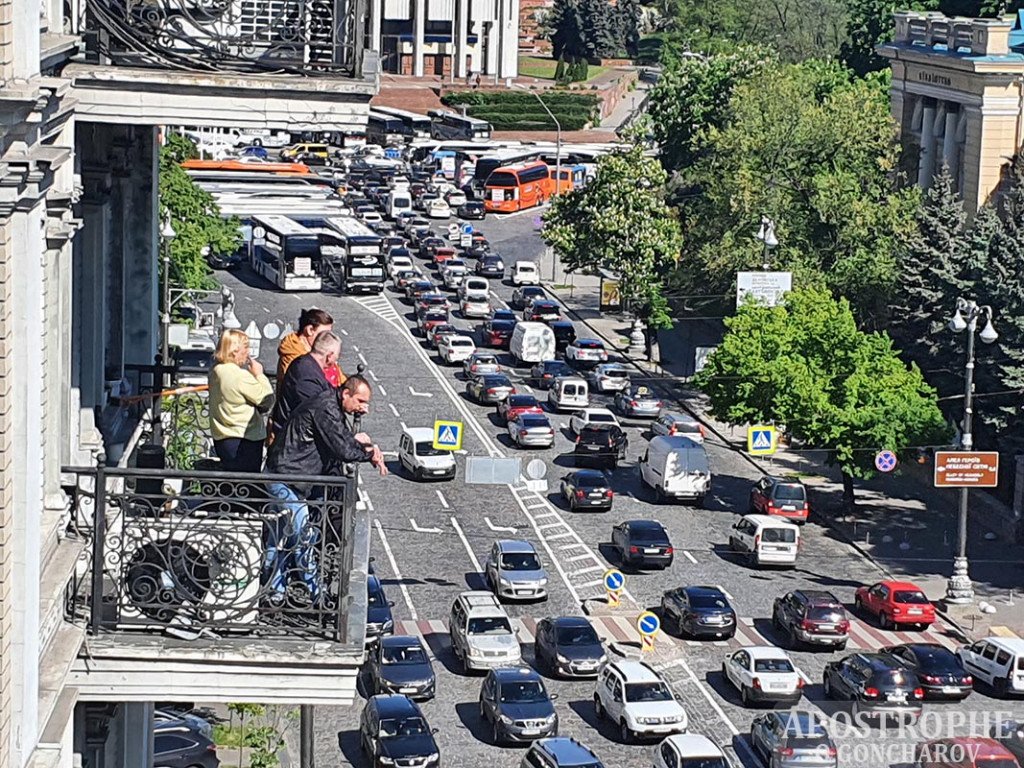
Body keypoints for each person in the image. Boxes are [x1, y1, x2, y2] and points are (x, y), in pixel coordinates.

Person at [263, 376, 387, 604]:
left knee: (279, 536)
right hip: (286, 478)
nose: (364, 408)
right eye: (360, 401)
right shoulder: (326, 407)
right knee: (301, 537)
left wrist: (360, 444)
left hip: (285, 475)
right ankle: (317, 596)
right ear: (345, 394)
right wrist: (369, 454)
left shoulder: (328, 404)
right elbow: (342, 449)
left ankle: (274, 591)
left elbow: (337, 438)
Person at [207, 329, 274, 472]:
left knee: (233, 482)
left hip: (222, 436)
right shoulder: (239, 376)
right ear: (235, 350)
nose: (248, 352)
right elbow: (266, 399)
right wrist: (259, 375)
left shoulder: (215, 371)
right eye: (246, 347)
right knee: (247, 483)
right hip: (245, 438)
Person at [270, 330, 342, 438]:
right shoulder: (308, 376)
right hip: (295, 444)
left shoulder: (304, 364)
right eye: (337, 357)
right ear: (329, 356)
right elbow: (320, 415)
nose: (336, 361)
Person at [275, 308, 345, 389]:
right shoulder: (293, 355)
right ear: (310, 330)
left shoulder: (318, 352)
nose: (328, 338)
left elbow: (341, 378)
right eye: (324, 334)